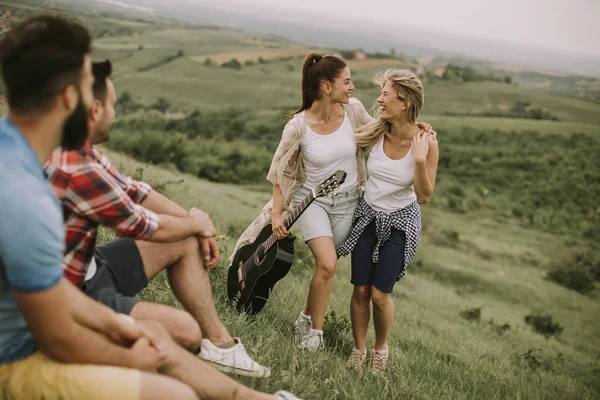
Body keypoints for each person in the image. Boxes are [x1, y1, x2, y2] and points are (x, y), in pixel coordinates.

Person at [0, 14, 301, 400]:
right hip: (15, 357)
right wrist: (125, 352)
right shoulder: (31, 198)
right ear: (72, 99)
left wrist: (114, 323)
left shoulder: (18, 157)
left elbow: (49, 287)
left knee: (156, 337)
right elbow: (58, 337)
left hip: (52, 306)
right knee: (174, 391)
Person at [44, 59, 271, 377]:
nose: (115, 113)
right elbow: (144, 225)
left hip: (89, 267)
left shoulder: (83, 153)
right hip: (73, 296)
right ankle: (99, 347)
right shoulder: (75, 168)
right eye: (112, 105)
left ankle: (220, 345)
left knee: (185, 237)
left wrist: (196, 226)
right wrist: (195, 222)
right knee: (185, 332)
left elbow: (137, 191)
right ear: (95, 110)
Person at [230, 53, 432, 351]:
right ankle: (315, 334)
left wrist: (417, 125)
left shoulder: (352, 111)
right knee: (326, 264)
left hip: (349, 202)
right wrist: (276, 215)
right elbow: (278, 173)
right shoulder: (297, 126)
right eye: (346, 81)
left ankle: (305, 317)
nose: (352, 88)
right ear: (326, 86)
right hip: (312, 201)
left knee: (327, 266)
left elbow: (383, 127)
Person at [337, 69, 439, 373]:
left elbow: (424, 196)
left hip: (400, 222)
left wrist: (419, 160)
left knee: (380, 295)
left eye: (386, 94)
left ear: (405, 102)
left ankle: (380, 350)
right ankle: (358, 349)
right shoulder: (378, 129)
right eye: (381, 92)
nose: (379, 99)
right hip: (367, 216)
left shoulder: (427, 143)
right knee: (360, 290)